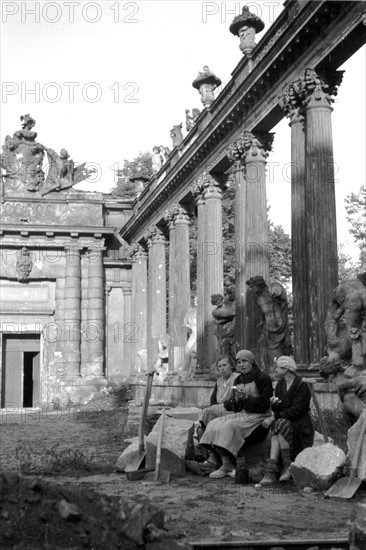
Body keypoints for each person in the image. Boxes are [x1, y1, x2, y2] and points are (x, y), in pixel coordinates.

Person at [199, 350, 273, 478]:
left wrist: (247, 397)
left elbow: (264, 405)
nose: (241, 365)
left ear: (252, 362)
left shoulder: (263, 378)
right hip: (244, 413)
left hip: (259, 416)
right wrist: (237, 400)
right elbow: (236, 407)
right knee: (214, 423)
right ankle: (226, 463)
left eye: (245, 361)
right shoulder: (239, 379)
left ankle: (228, 465)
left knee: (229, 426)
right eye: (239, 362)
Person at [260, 356, 314, 484]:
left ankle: (276, 470)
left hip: (301, 425)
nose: (275, 370)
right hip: (286, 422)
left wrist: (274, 416)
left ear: (285, 369)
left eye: (277, 368)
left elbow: (296, 411)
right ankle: (280, 468)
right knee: (279, 424)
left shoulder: (302, 385)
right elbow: (280, 409)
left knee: (279, 423)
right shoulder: (280, 385)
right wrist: (274, 404)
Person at [186, 356, 239, 475]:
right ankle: (209, 460)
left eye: (224, 365)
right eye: (219, 366)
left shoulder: (236, 378)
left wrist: (218, 409)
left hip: (233, 411)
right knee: (201, 429)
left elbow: (236, 401)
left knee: (209, 415)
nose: (222, 368)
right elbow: (213, 401)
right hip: (219, 411)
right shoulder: (219, 382)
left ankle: (212, 462)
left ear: (231, 365)